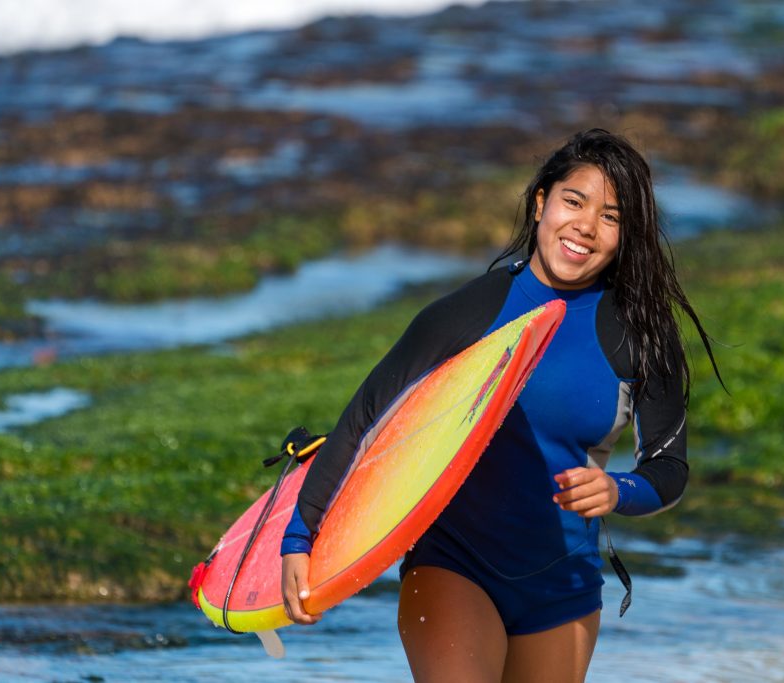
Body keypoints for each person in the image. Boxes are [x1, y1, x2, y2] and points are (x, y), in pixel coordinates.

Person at [279, 128, 719, 682]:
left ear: (625, 237)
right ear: (542, 204)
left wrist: (618, 489)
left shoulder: (639, 337)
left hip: (563, 583)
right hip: (453, 563)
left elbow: (669, 468)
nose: (585, 225)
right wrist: (300, 537)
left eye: (611, 217)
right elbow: (365, 420)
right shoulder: (470, 313)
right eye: (573, 201)